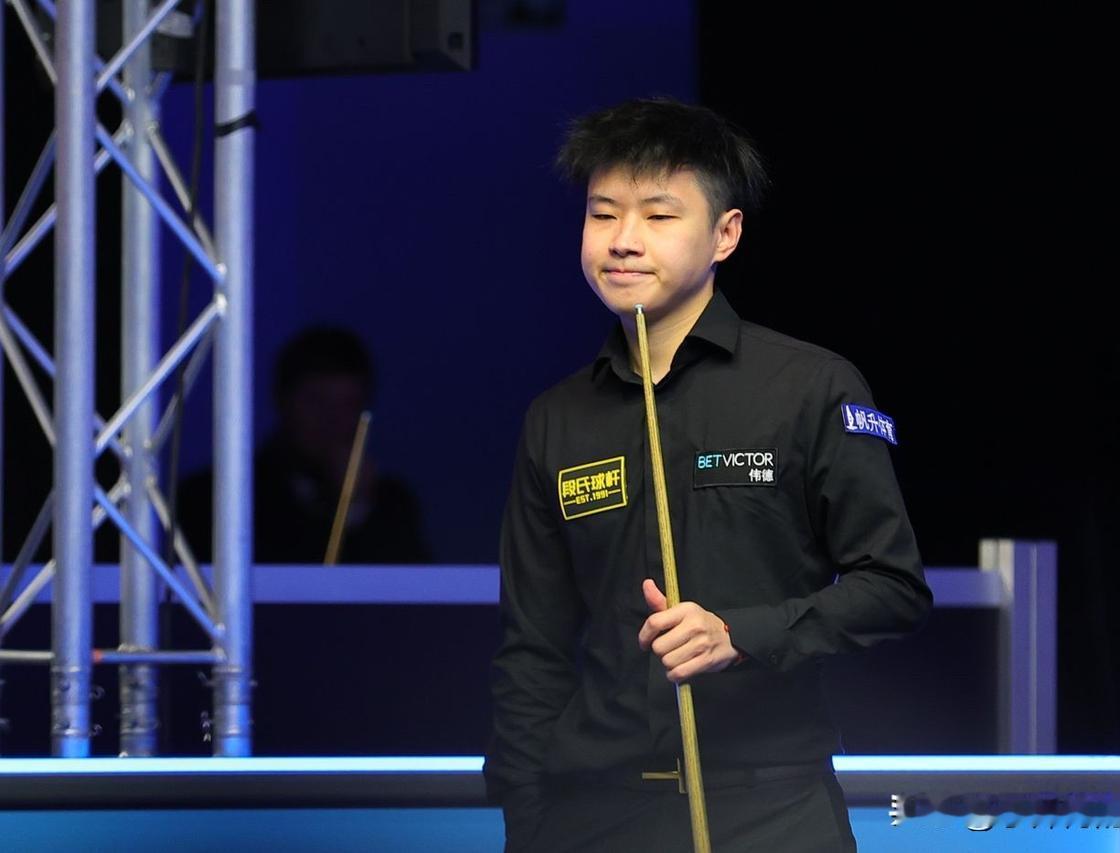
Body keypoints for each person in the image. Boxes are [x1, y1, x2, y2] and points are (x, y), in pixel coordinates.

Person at [485, 97, 932, 852]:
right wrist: (527, 817)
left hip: (772, 810)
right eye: (602, 214)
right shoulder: (556, 418)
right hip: (593, 813)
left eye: (659, 215)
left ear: (726, 233)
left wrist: (739, 633)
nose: (623, 241)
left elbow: (892, 587)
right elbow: (532, 647)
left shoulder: (808, 386)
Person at [179, 326, 430, 564]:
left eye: (348, 404)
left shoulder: (390, 504)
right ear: (282, 401)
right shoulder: (216, 498)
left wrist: (356, 508)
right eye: (316, 401)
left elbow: (409, 585)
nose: (332, 420)